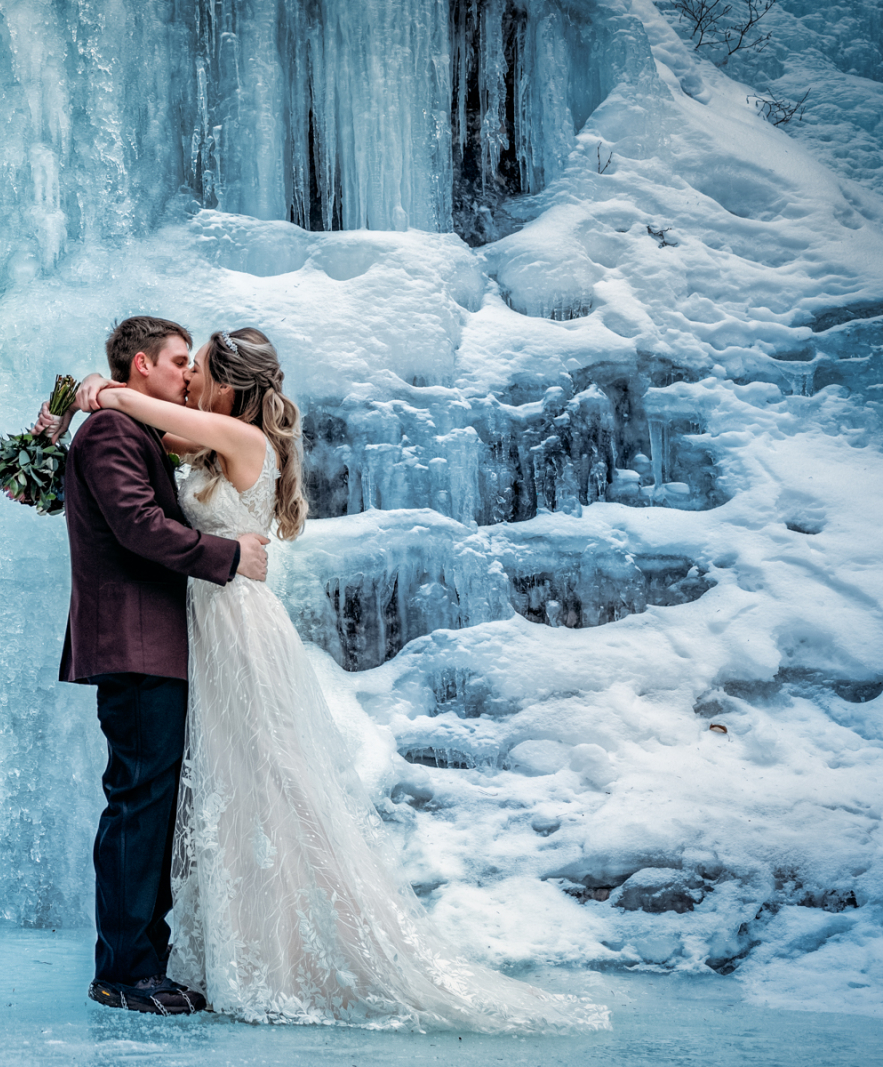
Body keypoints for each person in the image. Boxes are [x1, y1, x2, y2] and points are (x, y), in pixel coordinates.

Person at [72, 327, 609, 1031]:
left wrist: (97, 389)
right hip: (204, 622)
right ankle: (196, 953)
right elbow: (139, 448)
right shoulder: (202, 440)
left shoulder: (236, 439)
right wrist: (72, 411)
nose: (190, 378)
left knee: (271, 780)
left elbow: (153, 420)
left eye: (197, 368)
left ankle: (279, 949)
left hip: (234, 622)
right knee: (223, 791)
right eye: (183, 365)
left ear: (228, 386)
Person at [49, 316, 271, 1014]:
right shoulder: (116, 430)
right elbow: (140, 527)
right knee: (138, 804)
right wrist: (230, 556)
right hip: (138, 642)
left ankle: (142, 958)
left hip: (157, 643)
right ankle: (123, 969)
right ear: (141, 366)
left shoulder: (135, 427)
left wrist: (73, 406)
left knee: (151, 805)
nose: (187, 375)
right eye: (179, 361)